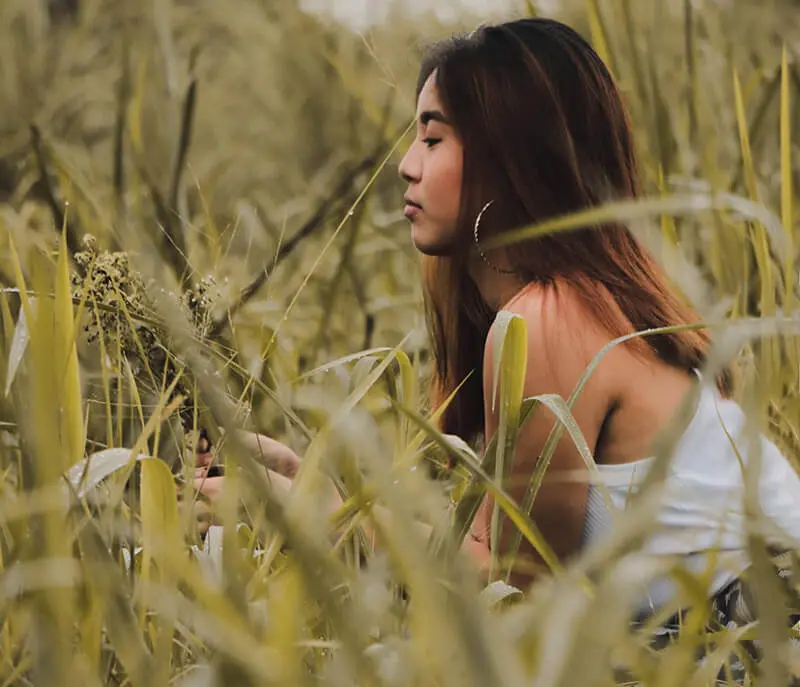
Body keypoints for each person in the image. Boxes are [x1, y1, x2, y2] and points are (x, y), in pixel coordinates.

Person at [192, 18, 800, 627]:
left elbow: (513, 593)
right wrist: (307, 483)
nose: (406, 165)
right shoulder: (579, 303)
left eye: (433, 140)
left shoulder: (549, 320)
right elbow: (494, 557)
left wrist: (307, 512)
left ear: (512, 159)